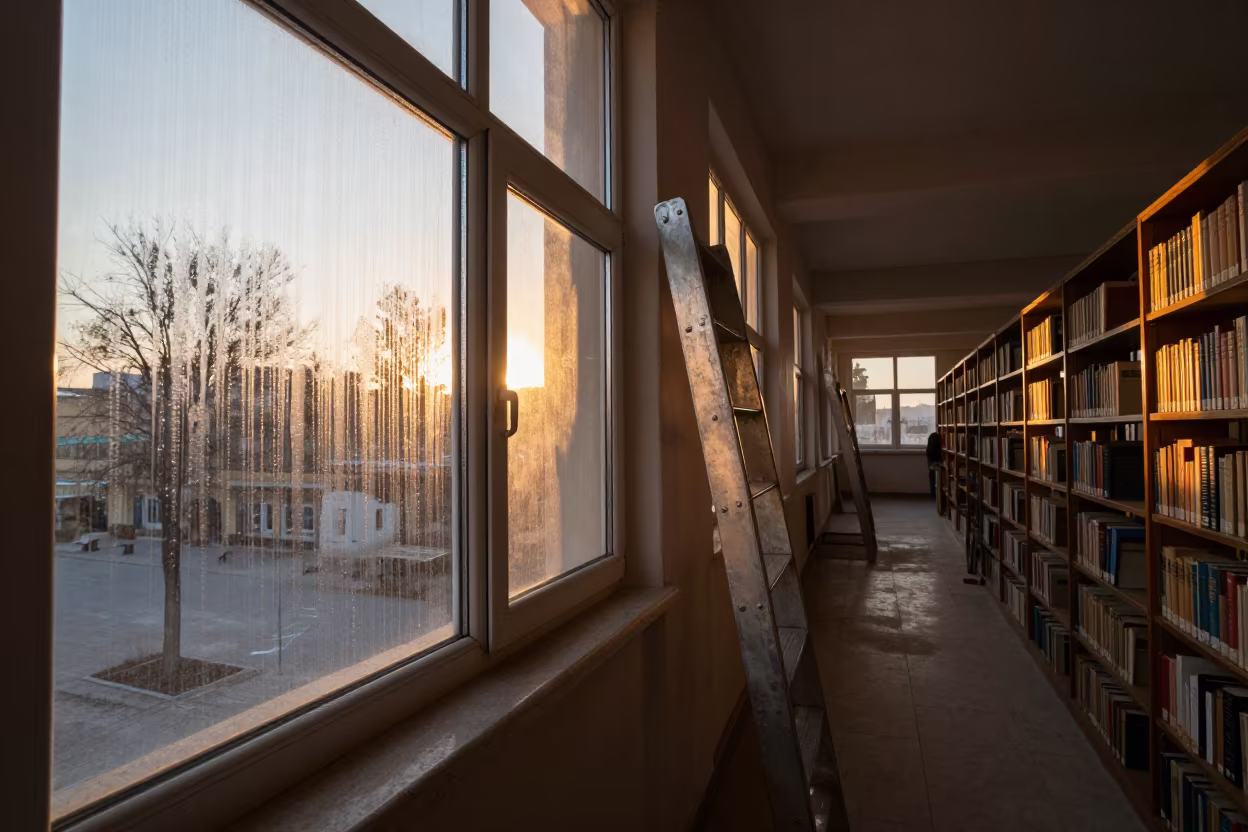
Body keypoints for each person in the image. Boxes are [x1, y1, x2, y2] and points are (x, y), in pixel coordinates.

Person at [925, 432, 942, 497]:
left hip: (931, 468)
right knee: (935, 478)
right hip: (936, 467)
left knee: (932, 477)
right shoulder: (938, 450)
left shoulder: (929, 448)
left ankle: (933, 494)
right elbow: (937, 458)